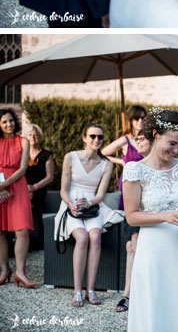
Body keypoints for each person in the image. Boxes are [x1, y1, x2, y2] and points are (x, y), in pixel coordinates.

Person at [122, 108, 178, 331]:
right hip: (153, 250)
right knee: (156, 303)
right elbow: (131, 217)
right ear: (156, 134)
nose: (176, 149)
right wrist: (165, 216)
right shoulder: (135, 170)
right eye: (172, 143)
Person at [54, 123, 121, 306]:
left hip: (93, 207)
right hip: (71, 205)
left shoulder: (106, 164)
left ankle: (91, 290)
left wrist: (89, 202)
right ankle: (77, 290)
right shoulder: (71, 157)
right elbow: (63, 190)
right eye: (92, 136)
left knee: (95, 237)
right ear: (84, 138)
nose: (96, 140)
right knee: (82, 238)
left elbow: (100, 195)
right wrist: (70, 205)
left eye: (100, 137)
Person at [100, 104, 147, 312]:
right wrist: (123, 162)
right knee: (132, 242)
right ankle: (130, 293)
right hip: (129, 192)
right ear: (130, 120)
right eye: (136, 118)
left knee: (135, 244)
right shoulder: (126, 140)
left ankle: (133, 292)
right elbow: (102, 152)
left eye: (143, 118)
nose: (140, 121)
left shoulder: (148, 139)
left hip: (147, 192)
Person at [0, 108, 34, 288]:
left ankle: (20, 271)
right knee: (0, 231)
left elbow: (22, 169)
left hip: (17, 185)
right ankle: (5, 270)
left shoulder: (23, 141)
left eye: (11, 120)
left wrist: (5, 184)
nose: (9, 124)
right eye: (4, 121)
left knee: (22, 230)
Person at [24, 124, 54, 251]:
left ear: (40, 137)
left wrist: (33, 187)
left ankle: (34, 242)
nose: (33, 137)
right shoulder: (21, 154)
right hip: (21, 190)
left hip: (38, 192)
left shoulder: (46, 155)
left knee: (33, 206)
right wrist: (25, 189)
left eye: (36, 134)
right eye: (30, 134)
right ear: (26, 137)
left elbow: (49, 177)